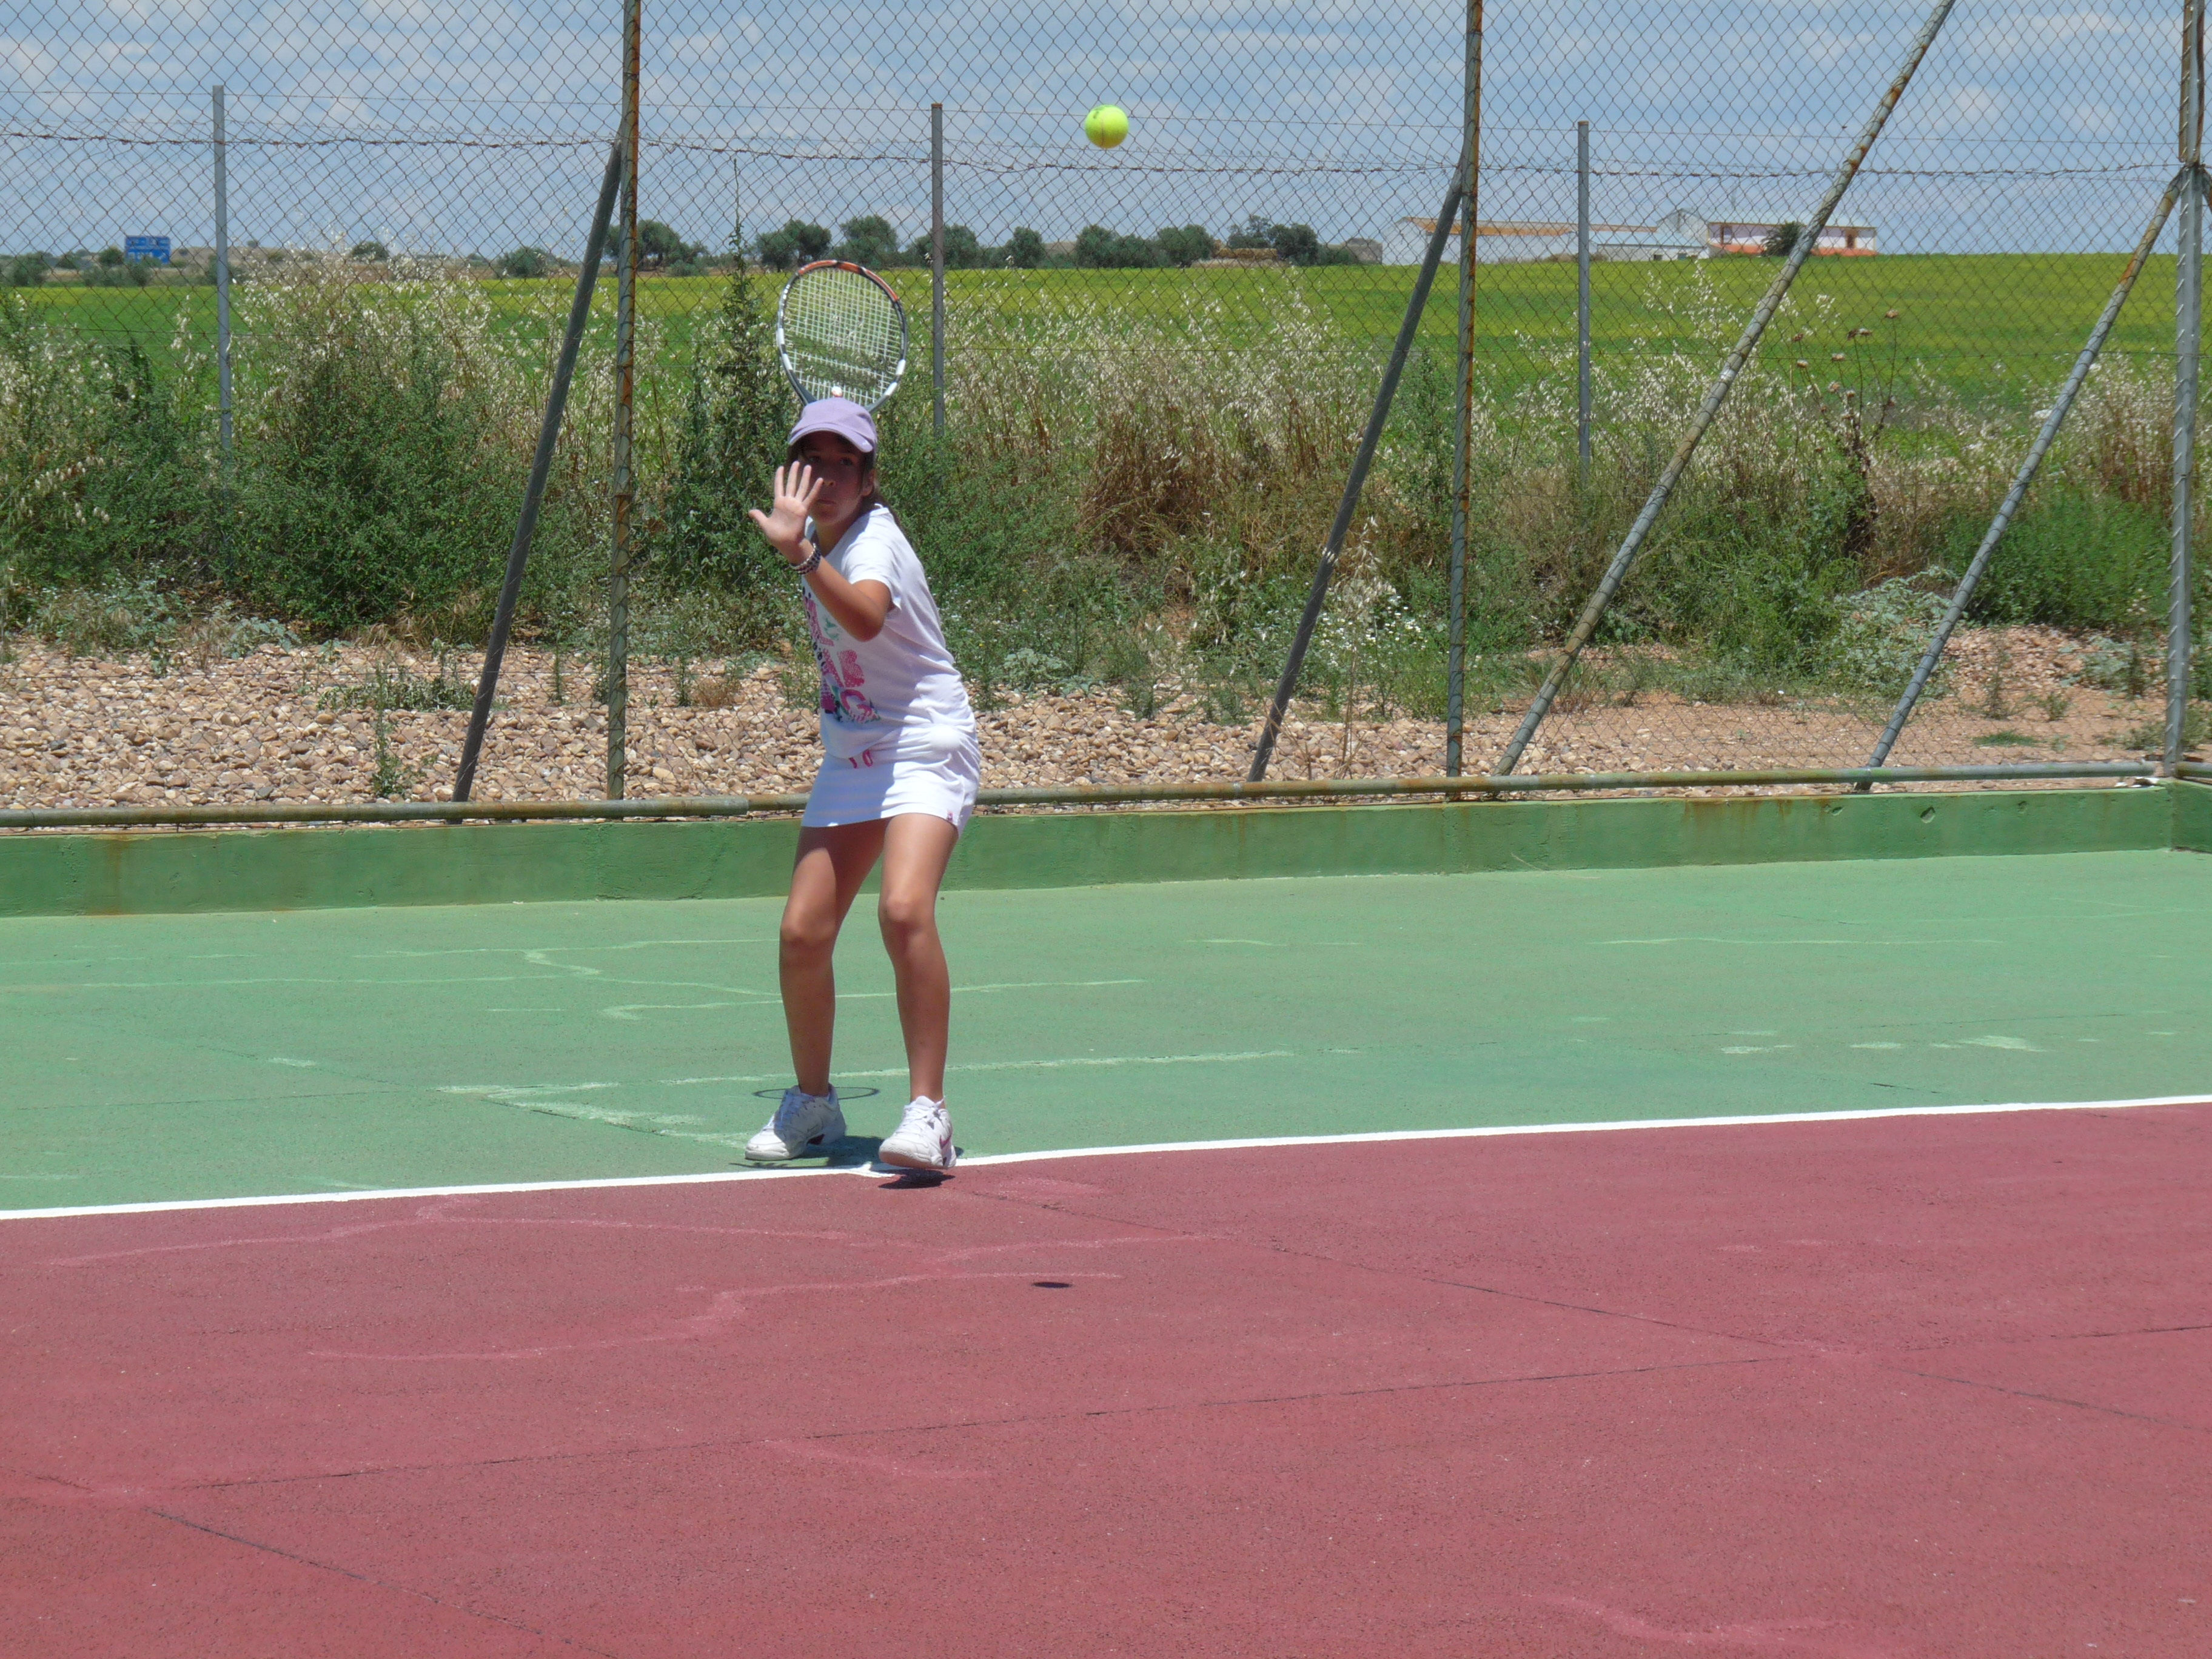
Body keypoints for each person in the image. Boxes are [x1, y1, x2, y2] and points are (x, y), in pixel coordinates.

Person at [742, 397, 980, 1175]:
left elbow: (869, 619)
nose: (829, 475)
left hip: (925, 742)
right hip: (855, 755)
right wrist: (805, 549)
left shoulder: (874, 541)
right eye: (813, 460)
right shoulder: (816, 536)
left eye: (845, 463)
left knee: (904, 910)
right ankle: (814, 1105)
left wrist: (801, 559)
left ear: (869, 479)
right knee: (802, 933)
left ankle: (929, 1115)